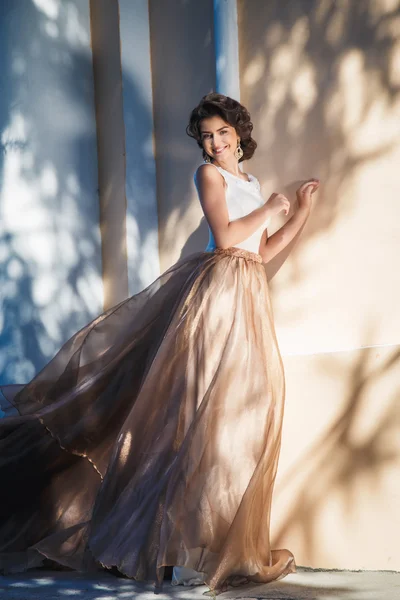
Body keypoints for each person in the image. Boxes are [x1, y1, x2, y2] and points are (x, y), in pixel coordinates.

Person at [0, 93, 319, 594]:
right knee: (192, 419)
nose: (215, 143)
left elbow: (267, 249)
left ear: (239, 132)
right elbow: (228, 234)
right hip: (217, 297)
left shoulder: (252, 183)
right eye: (207, 135)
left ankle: (204, 546)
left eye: (222, 132)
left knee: (240, 419)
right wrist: (269, 210)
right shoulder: (208, 177)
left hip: (249, 298)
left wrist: (297, 210)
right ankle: (162, 549)